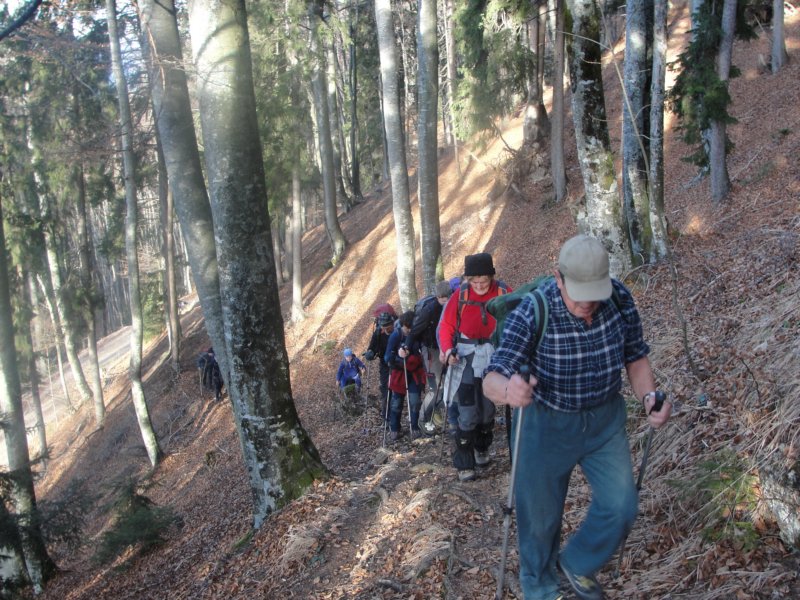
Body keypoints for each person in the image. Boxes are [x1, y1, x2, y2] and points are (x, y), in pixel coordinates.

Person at [483, 234, 672, 600]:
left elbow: (635, 357)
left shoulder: (618, 300)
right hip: (544, 424)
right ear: (559, 278)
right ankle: (541, 590)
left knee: (621, 505)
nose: (587, 304)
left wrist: (650, 397)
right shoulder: (533, 311)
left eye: (594, 294)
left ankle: (578, 563)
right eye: (579, 294)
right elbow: (492, 376)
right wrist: (509, 391)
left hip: (604, 421)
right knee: (539, 523)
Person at [438, 252, 512, 482]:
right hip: (465, 358)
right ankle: (464, 463)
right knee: (468, 411)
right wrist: (447, 350)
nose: (479, 286)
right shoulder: (460, 296)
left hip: (494, 356)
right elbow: (446, 326)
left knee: (488, 410)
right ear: (468, 279)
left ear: (491, 277)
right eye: (474, 281)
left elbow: (519, 320)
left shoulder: (503, 293)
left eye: (484, 281)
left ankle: (482, 447)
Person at [400, 280, 453, 431]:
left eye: (448, 299)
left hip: (447, 349)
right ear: (438, 297)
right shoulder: (428, 310)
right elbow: (414, 331)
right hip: (431, 351)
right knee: (436, 389)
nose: (446, 303)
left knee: (449, 386)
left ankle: (440, 417)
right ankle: (423, 419)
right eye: (443, 300)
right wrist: (406, 347)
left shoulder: (453, 305)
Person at [384, 311, 426, 441]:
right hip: (399, 374)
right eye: (408, 328)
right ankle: (395, 428)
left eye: (411, 328)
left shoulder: (417, 335)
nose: (409, 330)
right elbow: (387, 357)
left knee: (415, 401)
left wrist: (412, 358)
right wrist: (398, 357)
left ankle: (414, 426)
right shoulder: (395, 336)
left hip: (414, 373)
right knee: (396, 403)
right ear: (403, 325)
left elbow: (421, 352)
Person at [365, 311, 395, 420]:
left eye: (387, 326)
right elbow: (372, 347)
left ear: (392, 324)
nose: (385, 329)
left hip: (399, 363)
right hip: (385, 364)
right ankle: (387, 415)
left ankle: (396, 414)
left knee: (398, 388)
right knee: (386, 388)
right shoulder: (378, 333)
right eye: (383, 326)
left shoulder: (397, 331)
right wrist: (370, 353)